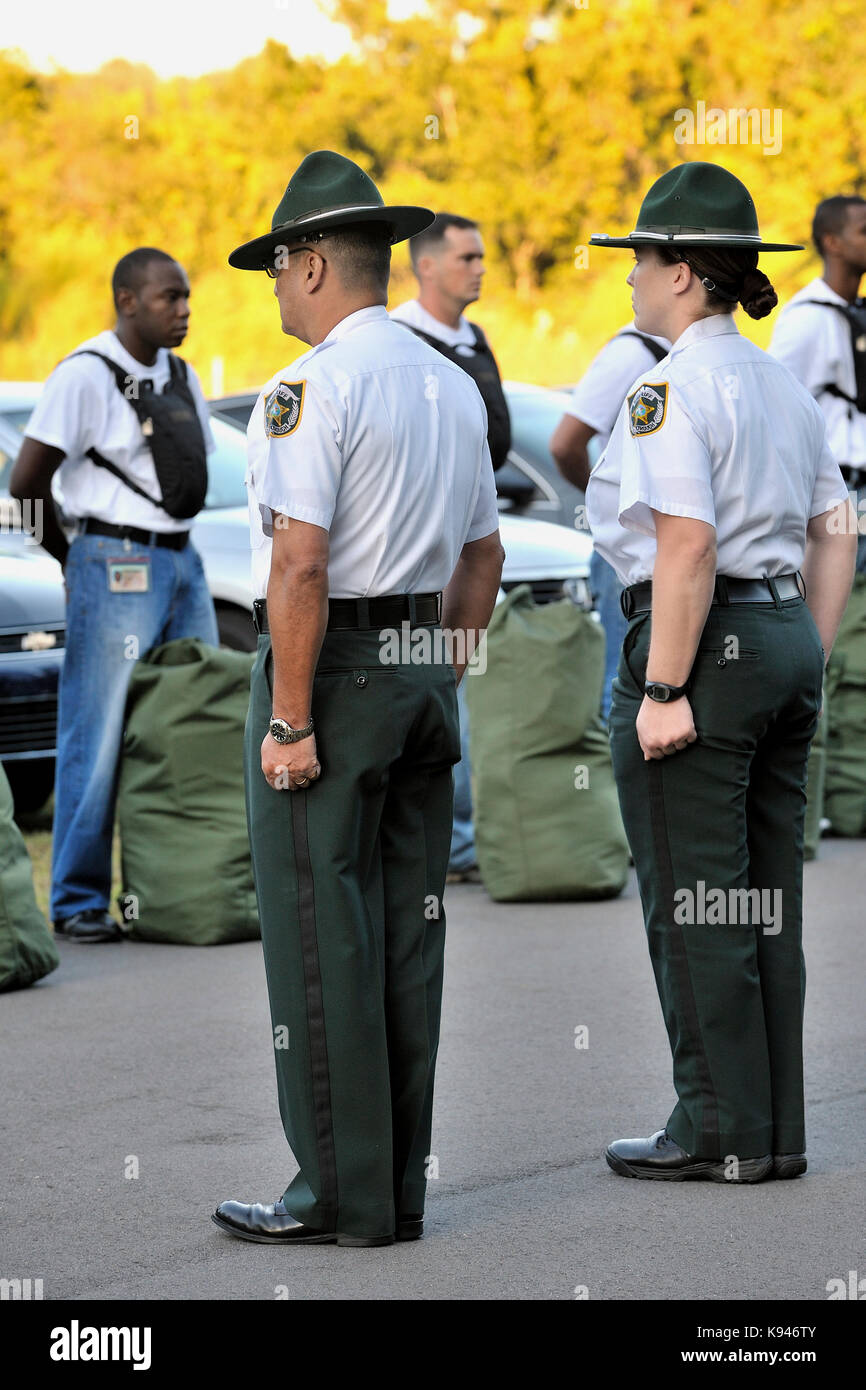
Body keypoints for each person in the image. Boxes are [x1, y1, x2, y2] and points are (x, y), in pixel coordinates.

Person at [211, 150, 503, 1247]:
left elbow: (299, 564)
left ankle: (335, 1194)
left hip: (328, 672)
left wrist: (289, 718)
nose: (274, 289)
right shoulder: (448, 379)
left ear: (313, 267)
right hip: (420, 662)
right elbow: (482, 552)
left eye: (277, 268)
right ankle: (396, 1190)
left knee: (319, 935)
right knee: (406, 937)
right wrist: (444, 665)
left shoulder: (311, 386)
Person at [585, 162, 855, 1182]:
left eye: (641, 261)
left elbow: (684, 545)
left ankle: (712, 1124)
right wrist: (806, 643)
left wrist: (661, 691)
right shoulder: (778, 383)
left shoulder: (668, 388)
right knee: (762, 896)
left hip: (702, 647)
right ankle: (772, 1128)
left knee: (695, 899)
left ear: (685, 275)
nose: (629, 280)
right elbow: (838, 526)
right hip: (779, 633)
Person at [10, 248, 218, 944]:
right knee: (94, 736)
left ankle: (183, 888)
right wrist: (75, 559)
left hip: (184, 560)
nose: (184, 310)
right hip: (113, 557)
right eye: (169, 298)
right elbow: (26, 486)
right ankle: (75, 903)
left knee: (195, 721)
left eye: (187, 298)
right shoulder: (85, 374)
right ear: (127, 301)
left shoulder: (182, 374)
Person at [392, 214, 510, 882]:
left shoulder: (475, 338)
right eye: (467, 257)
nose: (479, 268)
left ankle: (457, 844)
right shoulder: (406, 341)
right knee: (430, 687)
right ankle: (439, 844)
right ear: (426, 266)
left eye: (483, 256)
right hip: (429, 545)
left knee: (457, 683)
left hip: (478, 530)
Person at [551, 323, 670, 719]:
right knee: (626, 689)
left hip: (679, 553)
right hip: (631, 557)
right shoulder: (634, 352)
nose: (633, 277)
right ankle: (616, 782)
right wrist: (611, 503)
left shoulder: (695, 351)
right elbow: (565, 443)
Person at [769, 195, 866, 570]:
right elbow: (770, 413)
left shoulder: (855, 312)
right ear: (833, 242)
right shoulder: (805, 320)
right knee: (851, 621)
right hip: (841, 495)